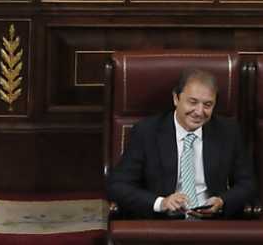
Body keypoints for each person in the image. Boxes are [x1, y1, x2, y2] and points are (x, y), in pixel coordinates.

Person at [107, 69, 256, 219]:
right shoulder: (147, 132)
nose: (199, 112)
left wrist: (222, 201)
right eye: (193, 102)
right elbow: (118, 185)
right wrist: (161, 203)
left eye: (207, 104)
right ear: (176, 99)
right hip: (162, 222)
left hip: (212, 222)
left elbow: (248, 183)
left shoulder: (228, 131)